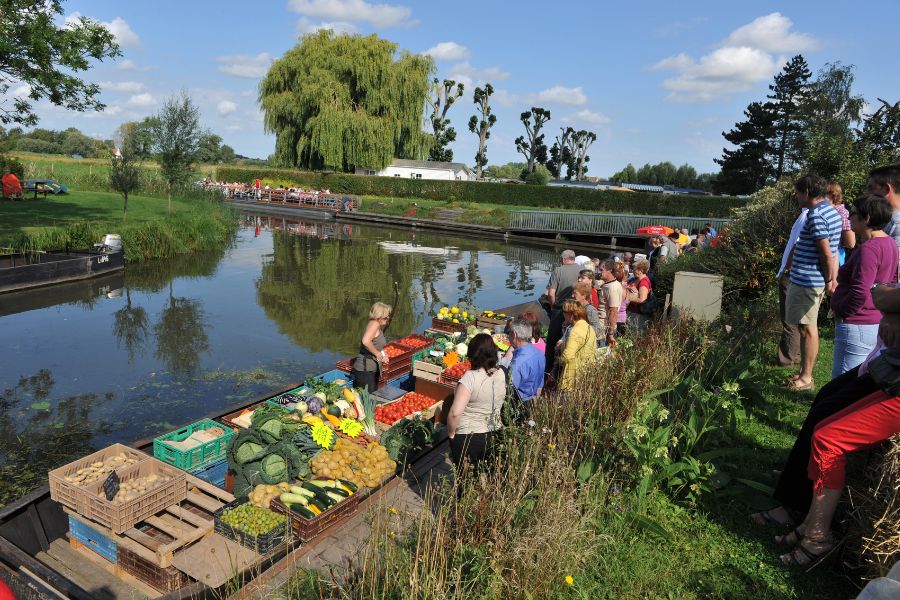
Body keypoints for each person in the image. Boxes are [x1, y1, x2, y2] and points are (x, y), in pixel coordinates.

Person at [784, 174, 842, 392]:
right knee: (805, 326)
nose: (796, 197)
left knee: (807, 328)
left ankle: (806, 378)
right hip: (811, 278)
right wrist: (831, 277)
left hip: (808, 279)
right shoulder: (831, 211)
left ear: (807, 192)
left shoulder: (816, 215)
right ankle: (803, 373)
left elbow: (826, 252)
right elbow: (834, 251)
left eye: (798, 192)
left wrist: (830, 279)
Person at [830, 194, 898, 377]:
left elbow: (860, 290)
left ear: (866, 218)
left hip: (857, 322)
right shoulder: (889, 243)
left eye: (852, 213)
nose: (848, 217)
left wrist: (843, 311)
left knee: (844, 378)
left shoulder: (869, 249)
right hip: (874, 319)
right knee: (859, 376)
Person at [447, 333, 506, 474]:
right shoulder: (501, 373)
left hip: (470, 436)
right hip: (495, 431)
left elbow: (455, 413)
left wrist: (451, 433)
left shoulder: (470, 378)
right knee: (490, 478)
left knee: (466, 482)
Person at [775, 202, 810, 367]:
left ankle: (787, 358)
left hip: (792, 273)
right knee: (796, 319)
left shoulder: (806, 215)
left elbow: (796, 244)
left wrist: (787, 269)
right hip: (798, 274)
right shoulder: (811, 214)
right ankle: (793, 355)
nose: (795, 197)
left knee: (789, 319)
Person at [544, 250, 583, 376]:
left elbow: (551, 293)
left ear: (564, 259)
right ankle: (564, 370)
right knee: (570, 339)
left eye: (561, 259)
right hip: (578, 309)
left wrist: (553, 305)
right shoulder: (582, 270)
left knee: (552, 340)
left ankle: (548, 370)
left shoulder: (558, 270)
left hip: (560, 309)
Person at [350, 302, 392, 392]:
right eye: (386, 316)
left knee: (370, 398)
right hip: (365, 370)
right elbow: (365, 341)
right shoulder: (375, 324)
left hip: (370, 368)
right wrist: (378, 354)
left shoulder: (375, 324)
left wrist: (384, 354)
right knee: (367, 399)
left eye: (388, 316)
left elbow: (377, 345)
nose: (388, 318)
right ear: (379, 316)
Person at [557, 300, 597, 391]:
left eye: (564, 312)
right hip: (587, 372)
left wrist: (558, 361)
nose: (563, 315)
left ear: (570, 314)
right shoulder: (589, 327)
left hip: (573, 376)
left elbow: (567, 356)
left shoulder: (575, 331)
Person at [507, 317, 545, 404]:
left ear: (514, 334)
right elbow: (540, 385)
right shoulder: (539, 353)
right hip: (534, 400)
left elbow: (508, 391)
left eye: (509, 332)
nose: (508, 335)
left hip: (520, 404)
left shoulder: (517, 363)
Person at [867, 164, 900, 251]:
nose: (866, 194)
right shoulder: (889, 220)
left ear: (886, 189)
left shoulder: (895, 224)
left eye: (871, 188)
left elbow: (896, 263)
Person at [826, 181, 855, 266]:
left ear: (833, 195)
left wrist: (835, 242)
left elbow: (851, 243)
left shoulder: (841, 213)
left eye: (823, 194)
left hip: (836, 257)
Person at [597, 259, 623, 348]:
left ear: (610, 270)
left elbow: (613, 311)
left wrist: (610, 333)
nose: (599, 272)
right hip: (601, 325)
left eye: (601, 270)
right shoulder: (607, 284)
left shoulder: (613, 287)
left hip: (603, 328)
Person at [625, 259, 653, 330]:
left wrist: (627, 297)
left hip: (637, 315)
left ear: (642, 270)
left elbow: (642, 299)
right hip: (631, 312)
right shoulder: (635, 279)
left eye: (635, 269)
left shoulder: (644, 282)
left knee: (633, 334)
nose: (633, 271)